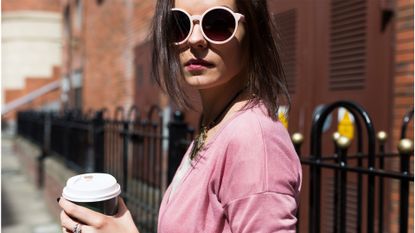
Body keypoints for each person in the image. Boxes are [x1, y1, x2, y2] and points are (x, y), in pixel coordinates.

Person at [58, 0, 302, 232]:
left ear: (252, 32)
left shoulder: (253, 140)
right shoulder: (216, 124)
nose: (194, 39)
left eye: (218, 23)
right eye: (180, 24)